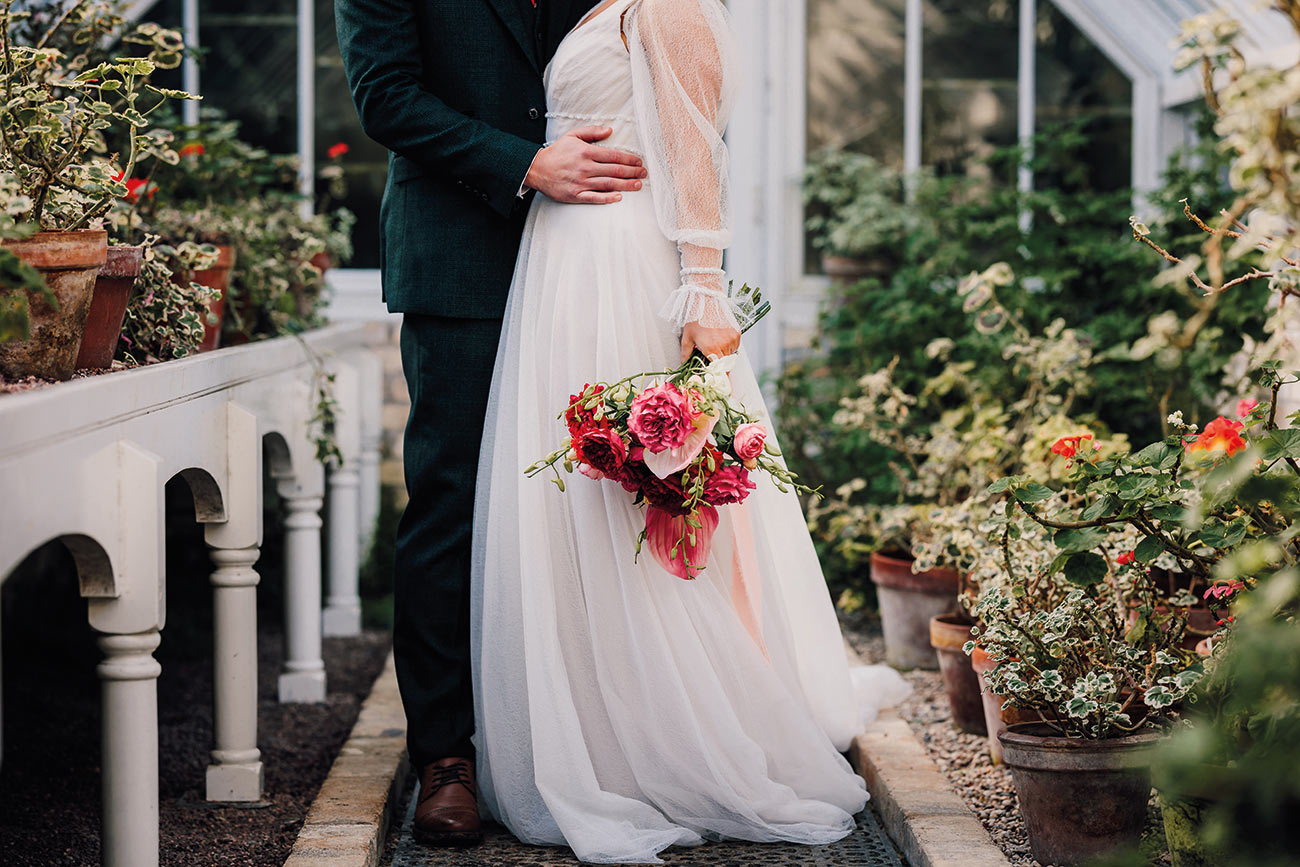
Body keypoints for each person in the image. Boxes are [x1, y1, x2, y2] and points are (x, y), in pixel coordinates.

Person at [472, 0, 911, 862]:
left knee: (652, 503)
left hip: (619, 264)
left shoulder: (667, 4)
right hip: (565, 260)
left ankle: (679, 733)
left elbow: (691, 145)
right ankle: (607, 724)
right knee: (589, 513)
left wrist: (702, 287)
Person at [334, 0, 650, 847]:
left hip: (594, 257)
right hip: (460, 258)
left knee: (586, 497)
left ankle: (580, 734)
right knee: (453, 502)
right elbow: (386, 95)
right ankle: (447, 757)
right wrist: (525, 163)